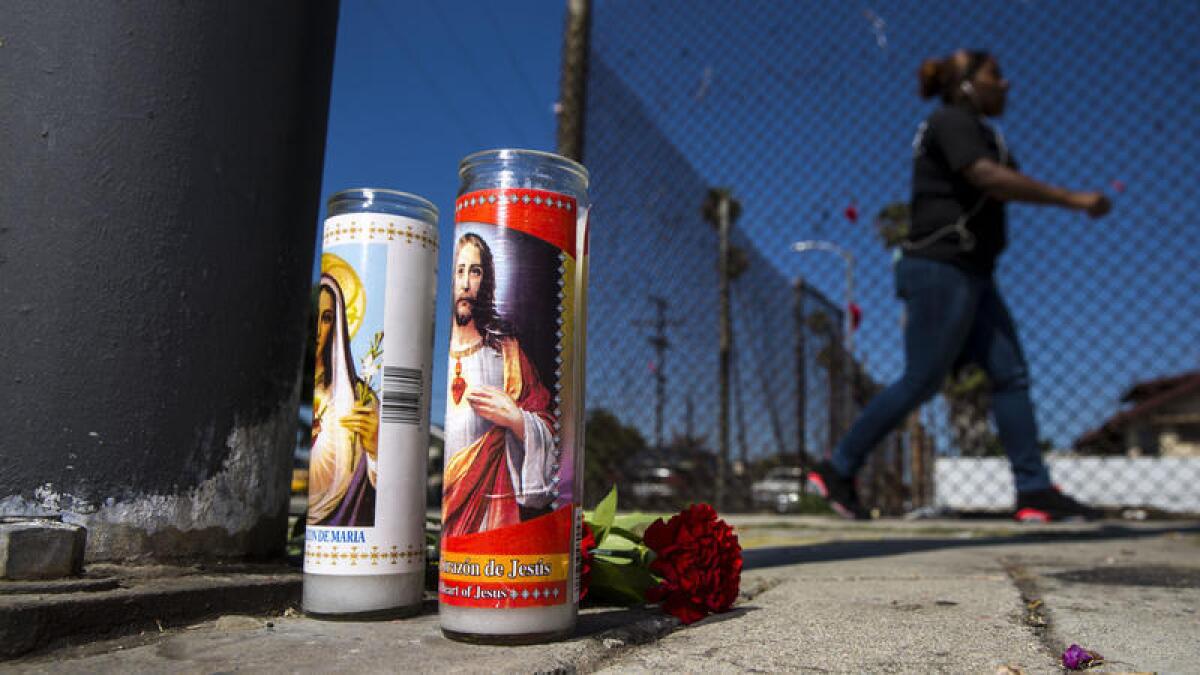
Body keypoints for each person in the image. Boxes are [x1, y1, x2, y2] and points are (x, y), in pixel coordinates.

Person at [809, 50, 1112, 522]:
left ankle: (1033, 491)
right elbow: (986, 176)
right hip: (939, 266)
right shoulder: (951, 120)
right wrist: (1072, 199)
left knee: (1010, 376)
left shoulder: (982, 128)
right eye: (995, 75)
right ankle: (838, 467)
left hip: (973, 271)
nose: (1006, 84)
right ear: (966, 84)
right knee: (923, 377)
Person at [442, 233, 559, 537]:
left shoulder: (506, 353)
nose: (466, 283)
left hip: (494, 511)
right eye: (459, 270)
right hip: (447, 511)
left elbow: (547, 424)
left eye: (475, 271)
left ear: (486, 280)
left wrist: (516, 420)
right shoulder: (436, 349)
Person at [308, 273, 379, 527]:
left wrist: (374, 449)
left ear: (336, 326)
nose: (319, 329)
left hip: (348, 520)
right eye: (318, 316)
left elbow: (382, 486)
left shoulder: (360, 398)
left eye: (327, 319)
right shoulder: (308, 390)